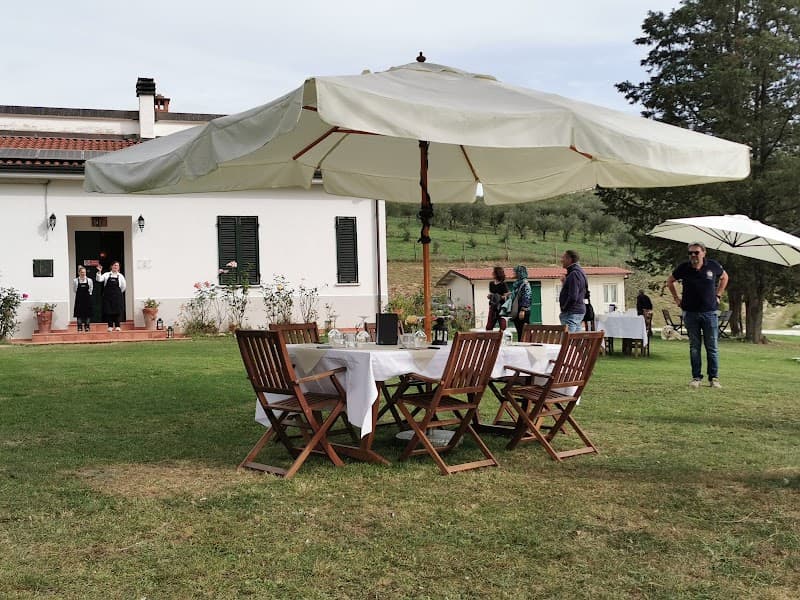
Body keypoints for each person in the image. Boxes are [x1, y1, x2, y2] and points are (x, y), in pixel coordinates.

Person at [667, 242, 728, 389]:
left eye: (696, 252)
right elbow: (670, 281)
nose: (693, 255)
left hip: (710, 312)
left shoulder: (712, 266)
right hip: (690, 313)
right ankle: (696, 377)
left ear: (704, 253)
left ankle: (714, 378)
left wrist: (718, 294)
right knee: (694, 347)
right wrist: (676, 298)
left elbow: (725, 277)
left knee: (712, 347)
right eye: (691, 253)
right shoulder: (684, 268)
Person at [558, 250, 587, 333]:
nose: (561, 260)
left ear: (569, 259)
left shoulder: (574, 274)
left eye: (563, 257)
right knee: (575, 341)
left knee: (568, 341)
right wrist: (565, 283)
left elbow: (573, 296)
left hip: (572, 312)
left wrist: (565, 308)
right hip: (576, 311)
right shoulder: (579, 272)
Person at [96, 260, 126, 331]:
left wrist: (118, 293)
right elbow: (99, 279)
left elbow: (123, 287)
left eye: (117, 265)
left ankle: (118, 326)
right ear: (111, 266)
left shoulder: (120, 276)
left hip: (117, 296)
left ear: (119, 268)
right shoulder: (106, 274)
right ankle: (110, 326)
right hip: (108, 296)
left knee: (117, 311)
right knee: (108, 311)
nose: (115, 267)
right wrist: (99, 272)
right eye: (114, 265)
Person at [508, 265, 531, 341]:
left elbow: (527, 296)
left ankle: (526, 347)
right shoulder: (517, 283)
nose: (513, 273)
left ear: (519, 273)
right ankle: (521, 347)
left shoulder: (525, 283)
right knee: (519, 331)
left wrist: (523, 309)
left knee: (524, 332)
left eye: (515, 272)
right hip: (517, 310)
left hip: (522, 311)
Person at [485, 266, 509, 331]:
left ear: (497, 273)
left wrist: (499, 297)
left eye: (494, 272)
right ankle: (490, 339)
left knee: (502, 326)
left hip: (501, 307)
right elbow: (492, 294)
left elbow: (506, 296)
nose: (492, 273)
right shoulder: (491, 283)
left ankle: (501, 338)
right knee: (489, 326)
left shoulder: (503, 284)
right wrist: (490, 296)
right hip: (493, 307)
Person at [72, 265, 94, 332]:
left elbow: (91, 289)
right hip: (79, 299)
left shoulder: (89, 280)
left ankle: (87, 326)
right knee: (79, 313)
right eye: (81, 272)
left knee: (88, 313)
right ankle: (79, 327)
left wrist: (88, 295)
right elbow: (75, 289)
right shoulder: (75, 280)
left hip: (87, 299)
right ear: (79, 273)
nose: (83, 273)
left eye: (84, 272)